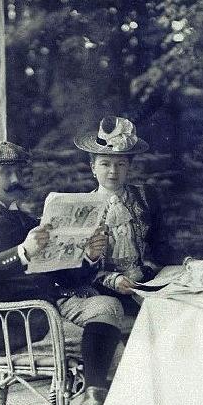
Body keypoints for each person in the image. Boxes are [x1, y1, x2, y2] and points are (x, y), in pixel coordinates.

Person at [0, 140, 126, 405]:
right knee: (114, 349)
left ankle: (92, 403)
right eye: (6, 172)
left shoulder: (26, 219)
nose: (16, 179)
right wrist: (22, 253)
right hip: (13, 323)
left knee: (107, 305)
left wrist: (89, 256)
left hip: (49, 306)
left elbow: (58, 275)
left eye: (19, 171)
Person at [73, 116, 166, 306]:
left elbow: (160, 244)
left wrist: (148, 269)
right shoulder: (82, 209)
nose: (113, 171)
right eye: (105, 164)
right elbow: (77, 270)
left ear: (129, 166)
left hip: (148, 283)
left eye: (121, 164)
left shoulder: (146, 196)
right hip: (104, 292)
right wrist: (112, 280)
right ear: (93, 167)